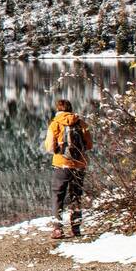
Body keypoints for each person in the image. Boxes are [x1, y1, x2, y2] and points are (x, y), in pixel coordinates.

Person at [43, 98, 92, 239]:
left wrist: (60, 149)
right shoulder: (81, 123)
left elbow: (50, 147)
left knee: (58, 196)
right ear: (71, 109)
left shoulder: (55, 124)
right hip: (79, 164)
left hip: (61, 164)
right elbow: (89, 145)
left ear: (58, 110)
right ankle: (76, 228)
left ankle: (58, 229)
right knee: (76, 195)